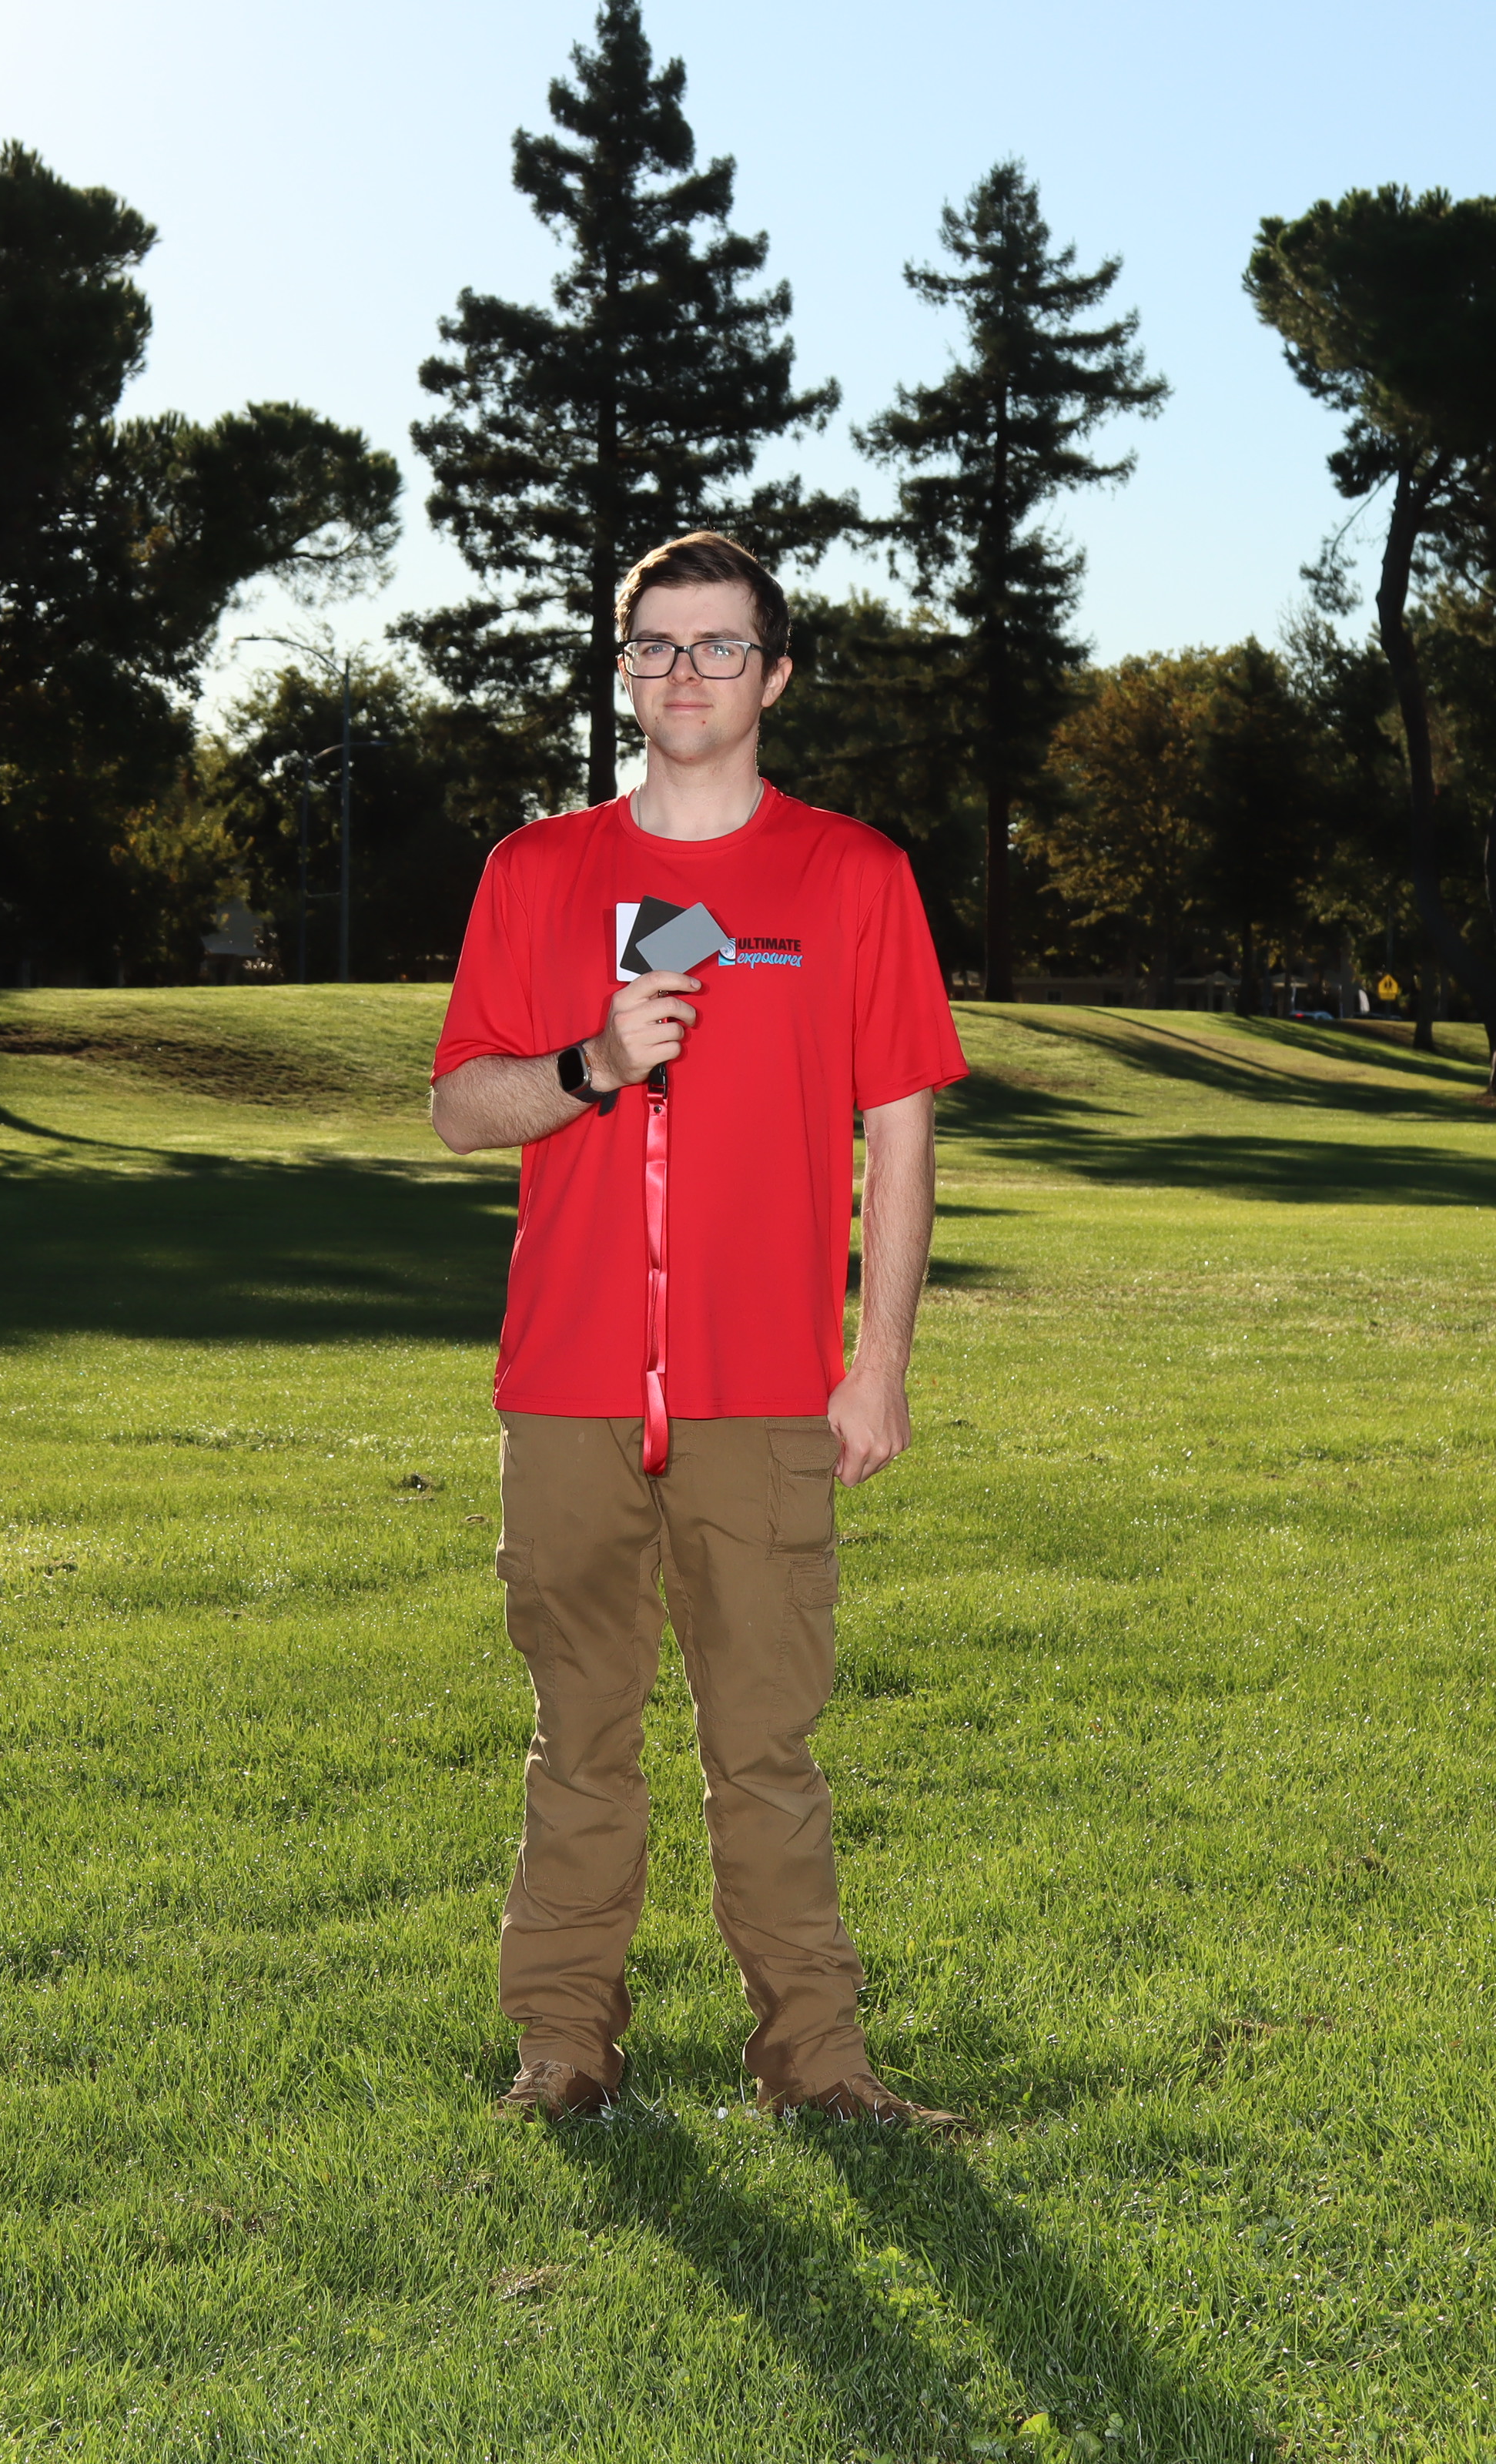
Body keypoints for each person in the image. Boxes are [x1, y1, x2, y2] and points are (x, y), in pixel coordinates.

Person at [429, 529, 969, 2128]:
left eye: (720, 645)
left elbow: (902, 1133)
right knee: (578, 1742)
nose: (686, 672)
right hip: (571, 1385)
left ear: (774, 675)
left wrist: (878, 1365)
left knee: (767, 1754)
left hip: (765, 1392)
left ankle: (819, 2062)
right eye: (656, 644)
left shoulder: (852, 876)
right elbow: (461, 1107)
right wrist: (592, 1064)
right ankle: (563, 2045)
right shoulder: (538, 871)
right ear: (623, 671)